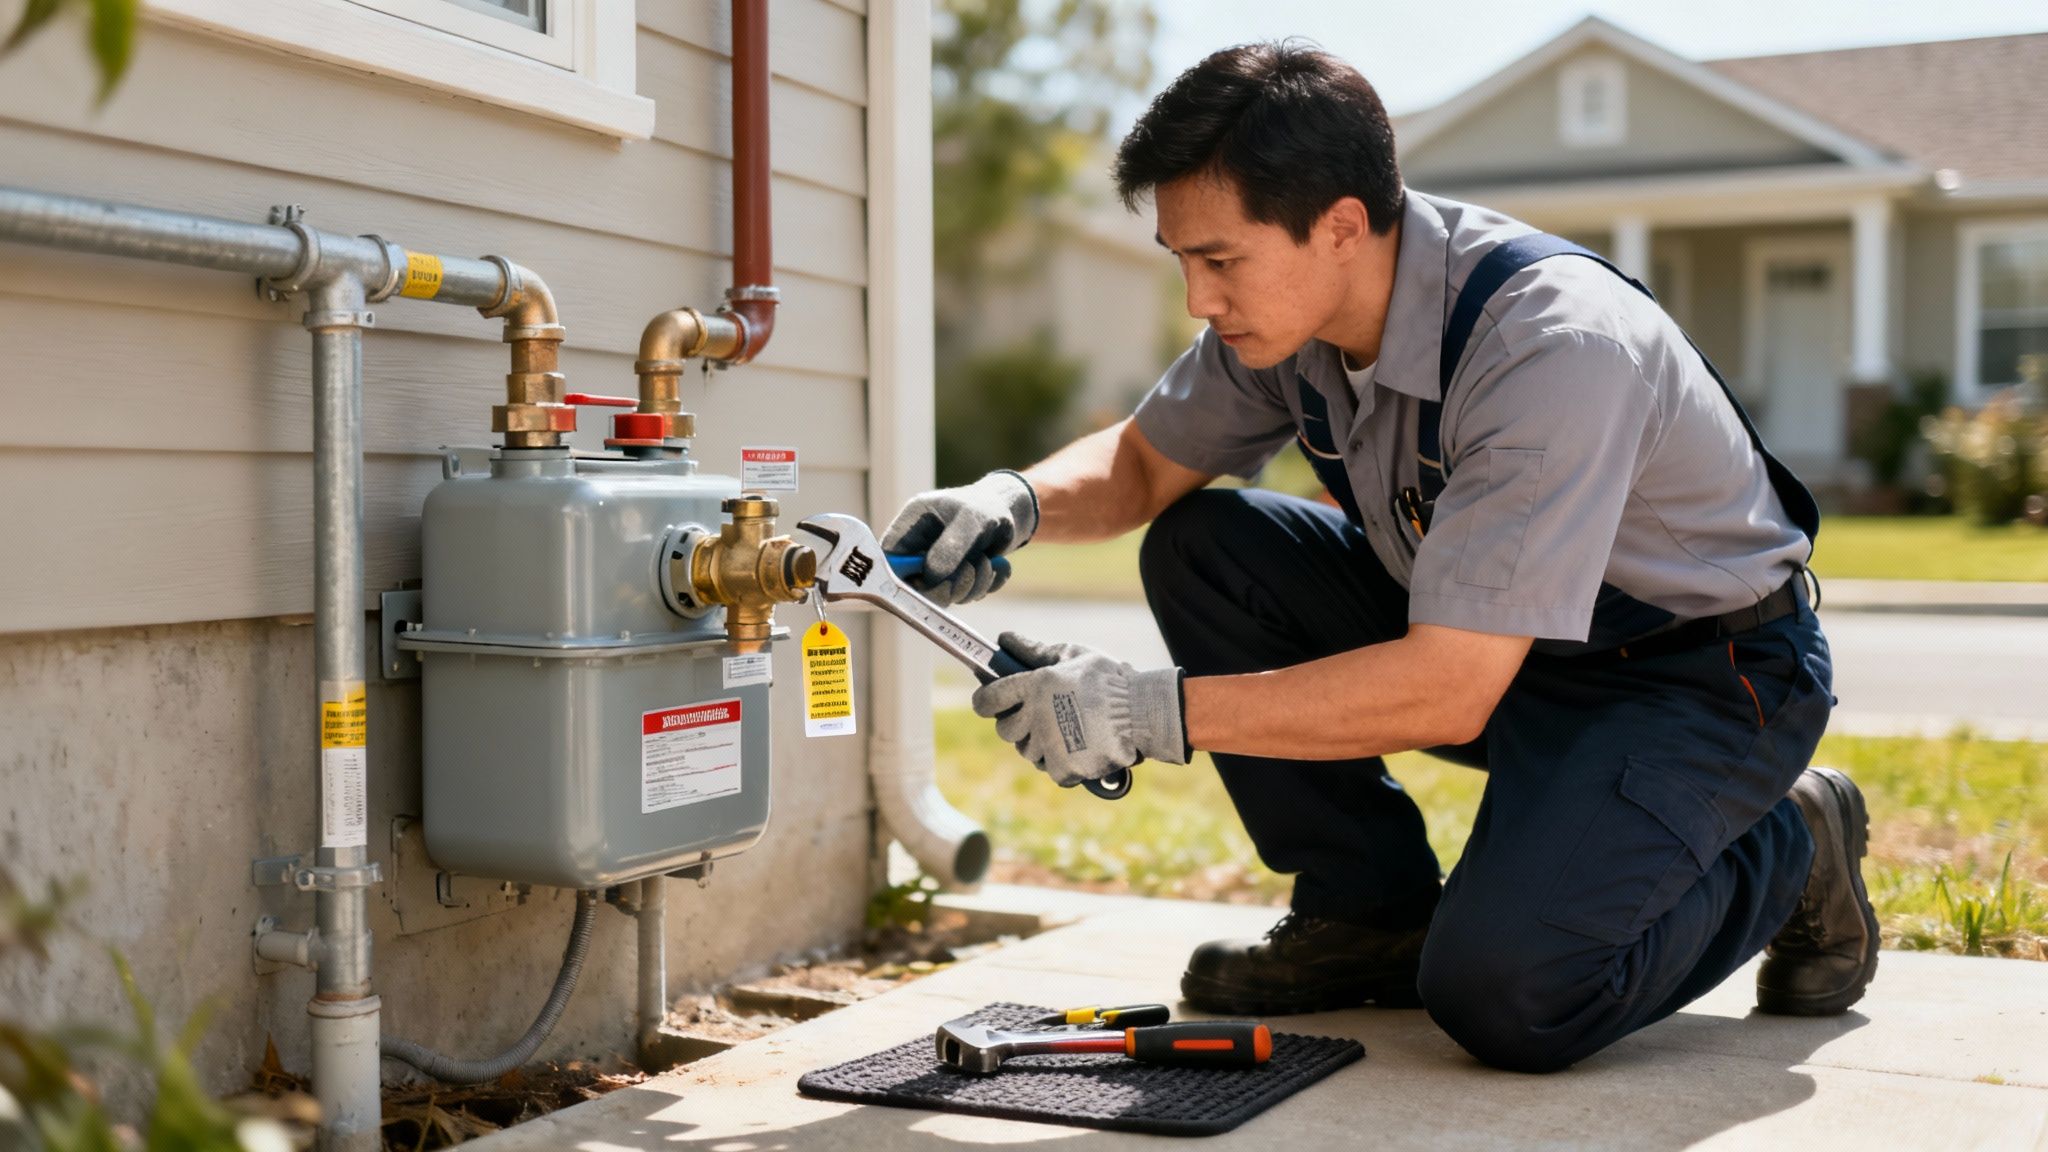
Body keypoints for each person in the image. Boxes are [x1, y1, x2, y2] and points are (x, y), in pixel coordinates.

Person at [883, 41, 1877, 1073]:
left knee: (1511, 994)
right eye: (1183, 260)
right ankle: (1369, 914)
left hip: (1693, 682)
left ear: (1340, 226)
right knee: (1206, 544)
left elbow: (1446, 690)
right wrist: (1008, 501)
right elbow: (1141, 468)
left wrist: (1144, 713)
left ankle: (1791, 838)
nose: (1198, 300)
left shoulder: (1549, 348)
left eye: (1219, 260)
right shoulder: (1291, 318)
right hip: (1508, 654)